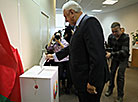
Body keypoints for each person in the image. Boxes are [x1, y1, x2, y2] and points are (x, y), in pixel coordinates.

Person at [46, 1, 109, 102]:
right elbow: (73, 48)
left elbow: (97, 55)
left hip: (89, 79)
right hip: (82, 78)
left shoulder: (89, 23)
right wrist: (54, 56)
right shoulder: (80, 26)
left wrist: (92, 82)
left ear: (72, 12)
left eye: (65, 16)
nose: (66, 20)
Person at [105, 22, 130, 102]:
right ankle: (110, 89)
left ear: (120, 29)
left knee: (120, 76)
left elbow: (124, 51)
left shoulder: (125, 37)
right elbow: (110, 48)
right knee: (111, 73)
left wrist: (111, 54)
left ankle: (120, 95)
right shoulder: (111, 37)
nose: (114, 33)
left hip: (123, 58)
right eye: (113, 31)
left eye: (116, 31)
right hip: (115, 58)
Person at [46, 31, 70, 95]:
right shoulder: (54, 43)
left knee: (68, 75)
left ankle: (67, 87)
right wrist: (51, 39)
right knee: (59, 75)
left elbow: (67, 50)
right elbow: (48, 48)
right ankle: (58, 89)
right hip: (58, 60)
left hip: (65, 60)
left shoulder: (64, 41)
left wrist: (60, 42)